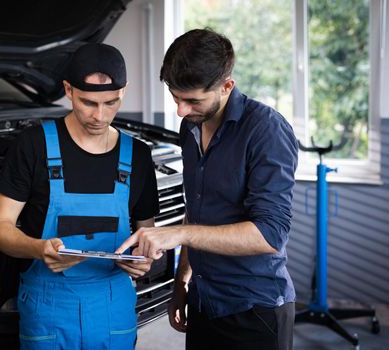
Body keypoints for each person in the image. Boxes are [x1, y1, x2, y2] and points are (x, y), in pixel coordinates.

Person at [116, 29, 298, 350]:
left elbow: (270, 234)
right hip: (203, 301)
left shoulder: (266, 130)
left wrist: (178, 235)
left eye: (193, 100)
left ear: (227, 86)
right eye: (175, 98)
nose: (181, 111)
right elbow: (196, 209)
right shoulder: (191, 128)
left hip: (253, 310)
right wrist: (181, 280)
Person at [0, 43, 159, 350]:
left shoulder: (139, 156)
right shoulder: (34, 146)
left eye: (111, 102)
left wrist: (145, 261)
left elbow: (149, 236)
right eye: (88, 103)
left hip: (113, 308)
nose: (100, 115)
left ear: (124, 91)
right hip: (48, 307)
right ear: (68, 90)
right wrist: (37, 248)